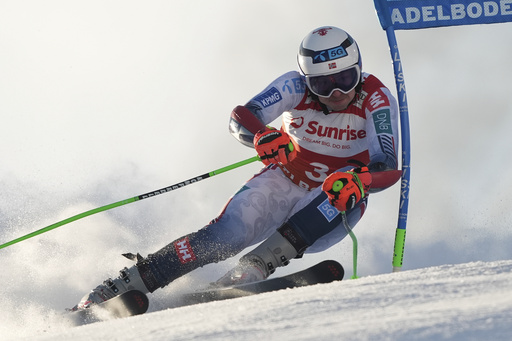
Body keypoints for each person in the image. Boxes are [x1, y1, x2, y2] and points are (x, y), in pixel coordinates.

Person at [70, 26, 401, 311]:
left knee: (339, 190)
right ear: (307, 79)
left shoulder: (376, 98)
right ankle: (119, 287)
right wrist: (261, 135)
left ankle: (252, 269)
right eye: (324, 84)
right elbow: (242, 115)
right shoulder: (294, 87)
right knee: (223, 237)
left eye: (346, 78)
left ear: (359, 69)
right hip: (283, 179)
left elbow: (388, 165)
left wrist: (364, 179)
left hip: (335, 201)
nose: (338, 92)